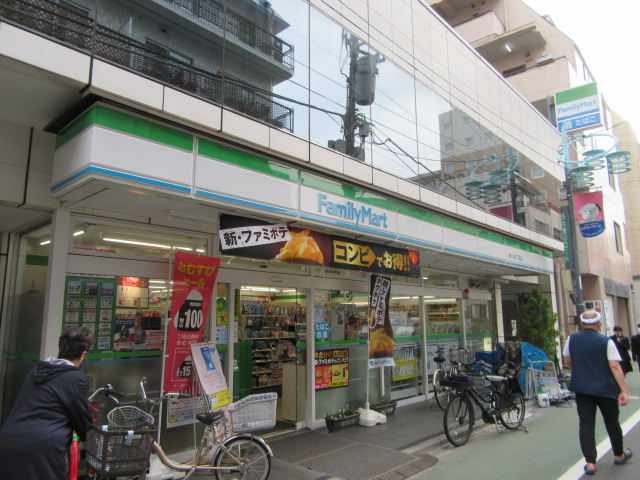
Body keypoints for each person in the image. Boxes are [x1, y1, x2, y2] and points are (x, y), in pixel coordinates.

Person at [0, 326, 94, 480]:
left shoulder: (37, 371)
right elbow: (81, 422)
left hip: (8, 442)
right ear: (83, 354)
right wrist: (95, 443)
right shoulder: (75, 379)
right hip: (42, 451)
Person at [563, 310, 632, 476]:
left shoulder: (572, 339)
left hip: (582, 388)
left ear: (582, 323)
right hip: (605, 388)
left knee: (586, 424)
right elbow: (615, 366)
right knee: (612, 422)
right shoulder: (606, 341)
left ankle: (590, 463)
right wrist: (623, 390)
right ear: (599, 323)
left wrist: (577, 371)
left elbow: (568, 359)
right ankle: (618, 454)